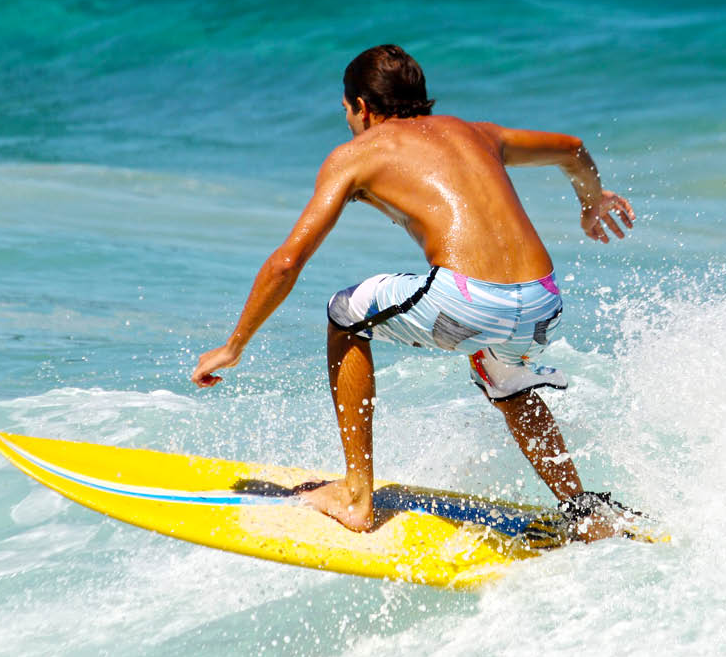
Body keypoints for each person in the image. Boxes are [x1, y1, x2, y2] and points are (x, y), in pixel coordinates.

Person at [191, 45, 635, 540]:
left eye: (346, 111)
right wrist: (591, 203)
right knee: (503, 375)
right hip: (541, 301)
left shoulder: (356, 155)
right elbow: (572, 147)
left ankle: (357, 495)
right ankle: (582, 509)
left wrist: (234, 345)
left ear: (361, 106)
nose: (348, 122)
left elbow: (288, 261)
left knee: (346, 314)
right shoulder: (479, 134)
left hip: (469, 299)